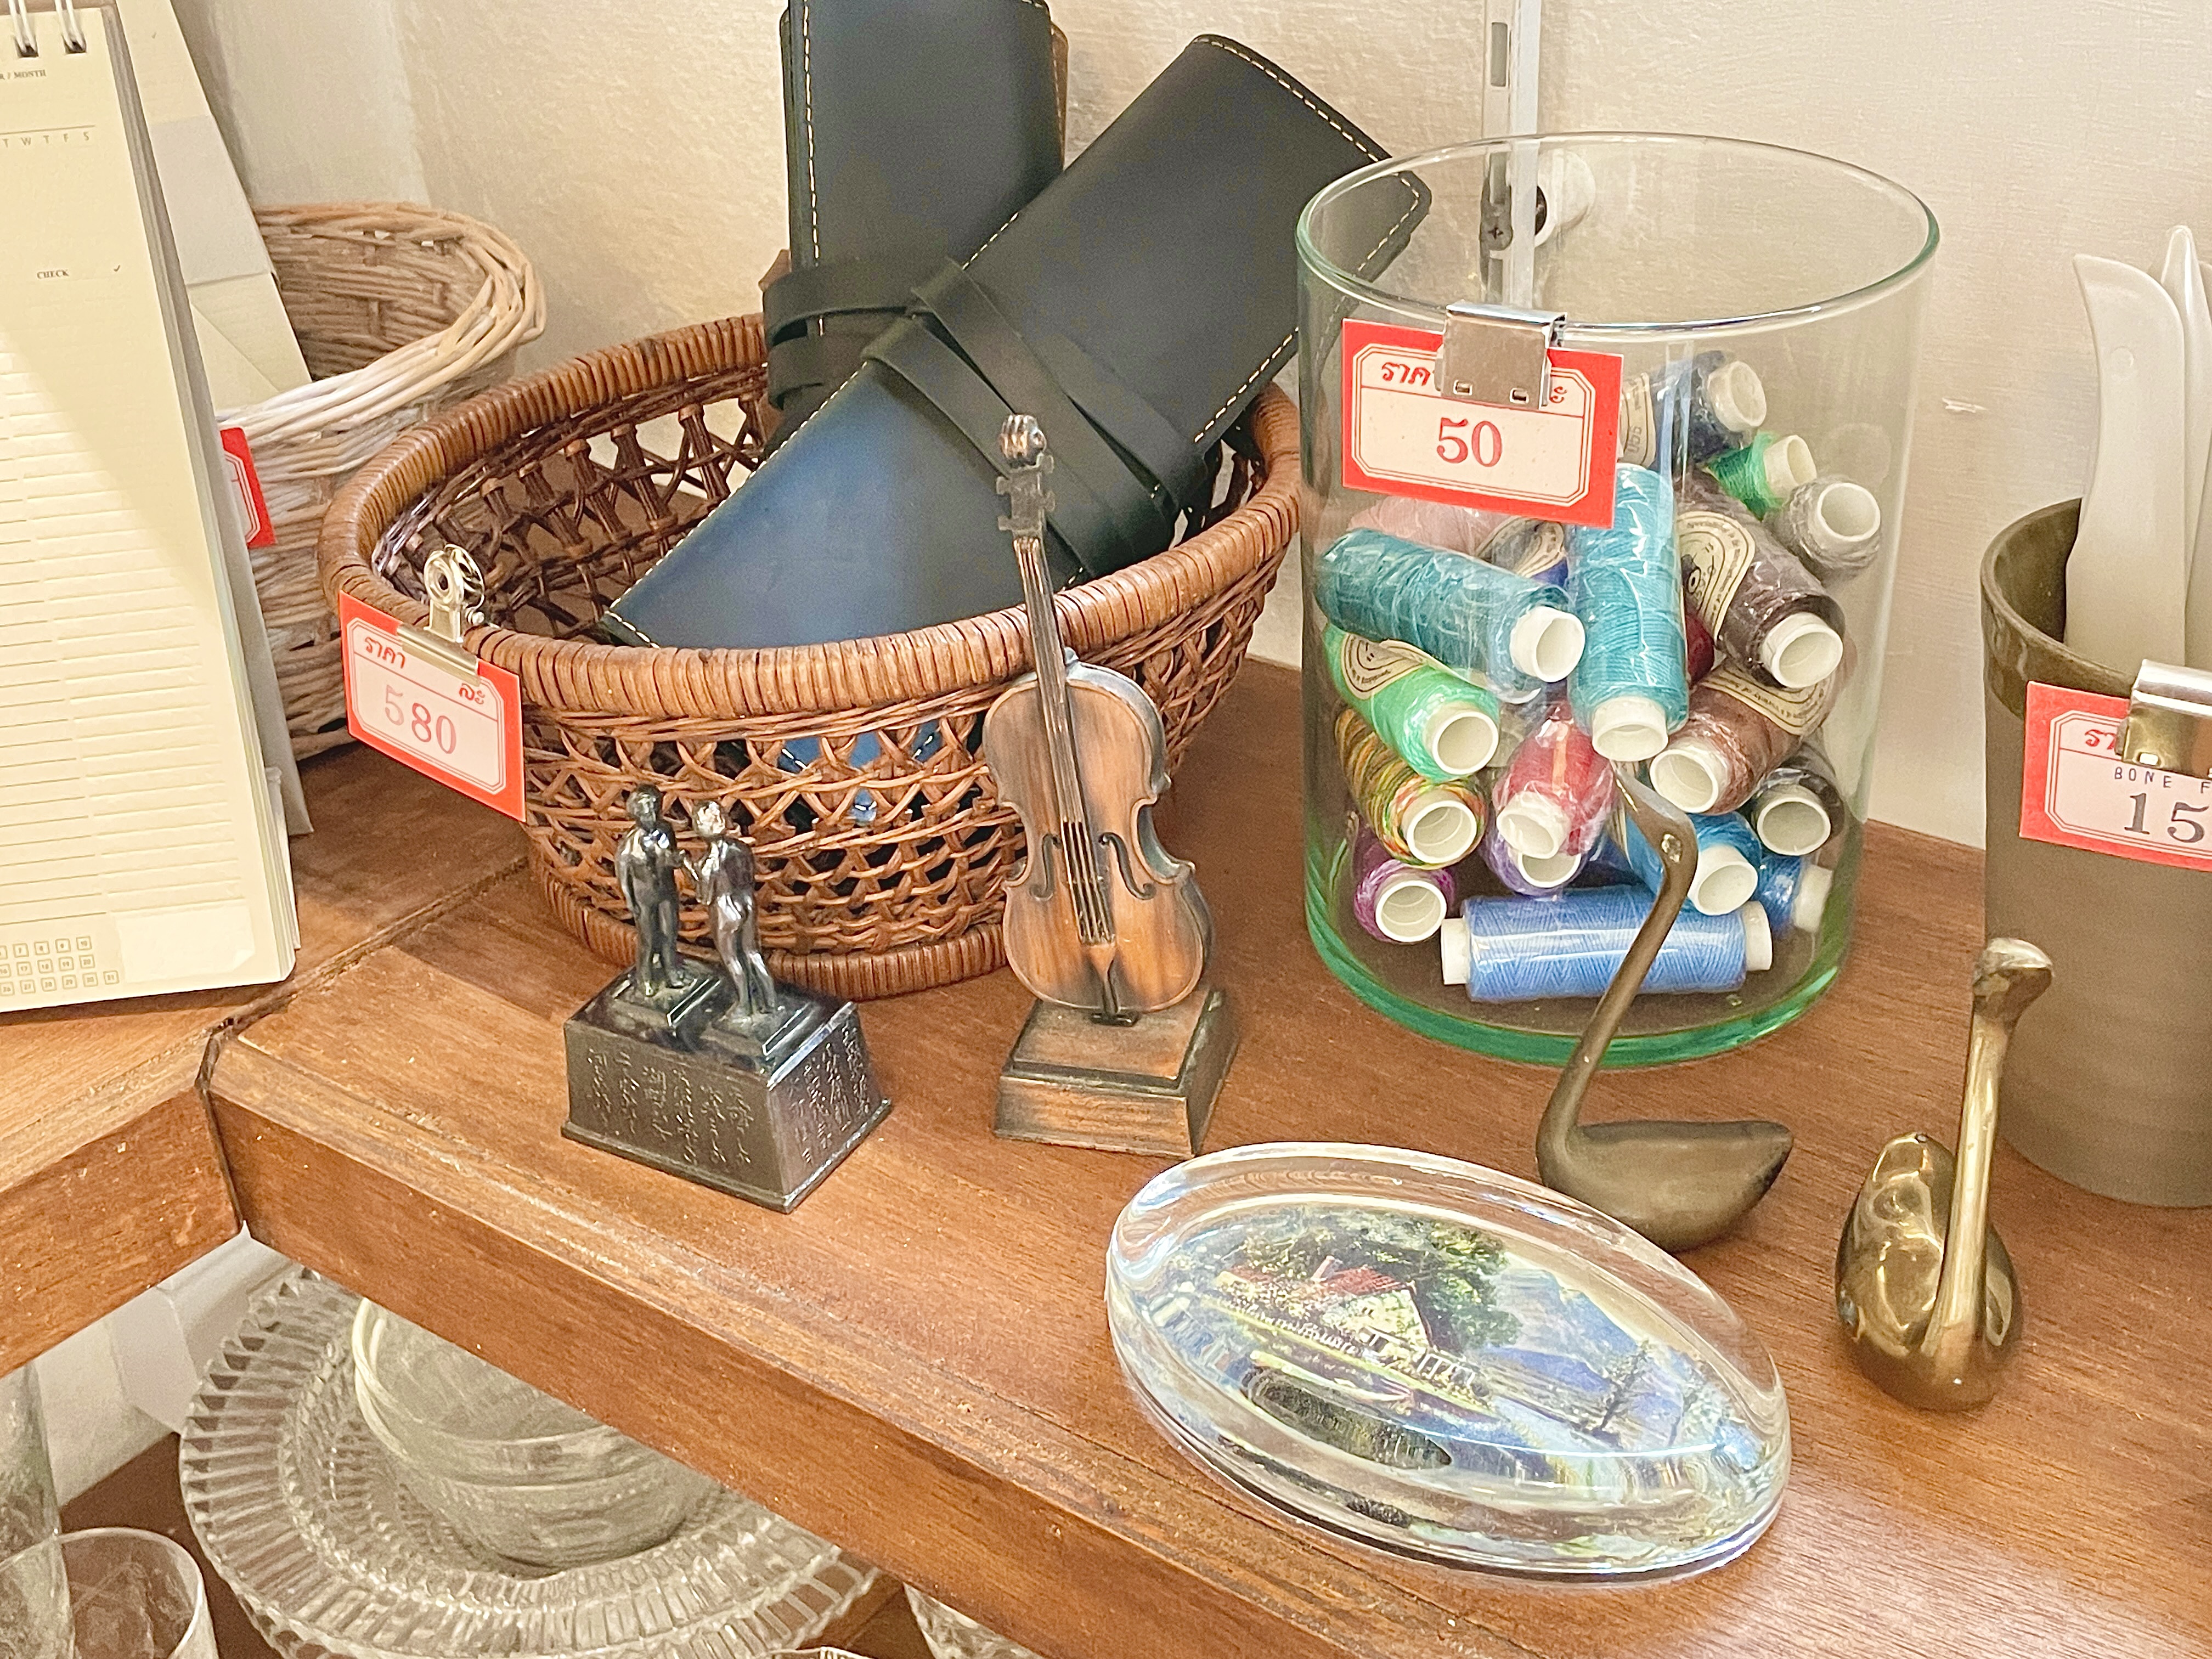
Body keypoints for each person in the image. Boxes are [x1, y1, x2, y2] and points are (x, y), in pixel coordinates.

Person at [695, 800, 780, 1024]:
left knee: (731, 958)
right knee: (753, 953)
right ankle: (770, 1001)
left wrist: (689, 868)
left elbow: (704, 896)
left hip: (725, 910)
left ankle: (744, 1004)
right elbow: (749, 877)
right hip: (747, 902)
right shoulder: (741, 849)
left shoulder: (708, 862)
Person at [614, 786, 695, 1001]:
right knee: (648, 939)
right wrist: (630, 902)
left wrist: (675, 859)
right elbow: (623, 877)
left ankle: (671, 971)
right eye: (644, 812)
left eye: (653, 810)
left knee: (670, 933)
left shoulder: (666, 830)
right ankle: (645, 977)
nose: (650, 816)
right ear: (636, 814)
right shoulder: (628, 845)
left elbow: (671, 857)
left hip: (667, 892)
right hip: (644, 898)